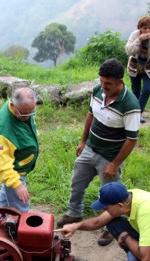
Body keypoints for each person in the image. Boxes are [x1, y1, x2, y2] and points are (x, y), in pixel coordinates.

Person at [56, 59, 141, 248]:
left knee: (111, 195)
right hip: (90, 148)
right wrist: (83, 140)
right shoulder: (97, 91)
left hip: (109, 157)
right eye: (101, 81)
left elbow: (131, 139)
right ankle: (74, 212)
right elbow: (90, 115)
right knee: (77, 182)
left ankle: (110, 227)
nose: (103, 86)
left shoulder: (130, 105)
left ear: (120, 81)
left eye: (108, 84)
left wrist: (115, 163)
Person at [0, 88, 39, 212]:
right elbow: (2, 166)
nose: (28, 117)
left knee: (4, 200)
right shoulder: (2, 132)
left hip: (19, 166)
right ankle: (17, 230)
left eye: (31, 112)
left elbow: (26, 116)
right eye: (24, 114)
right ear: (12, 105)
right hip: (14, 171)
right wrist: (17, 184)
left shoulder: (21, 108)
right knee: (21, 207)